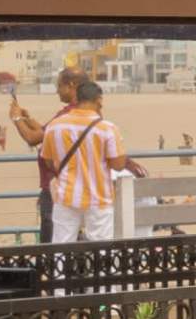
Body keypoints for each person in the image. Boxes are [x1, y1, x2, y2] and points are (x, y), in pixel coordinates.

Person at [18, 70, 138, 244]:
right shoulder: (107, 128)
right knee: (101, 246)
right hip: (98, 196)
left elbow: (49, 160)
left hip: (66, 195)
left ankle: (60, 272)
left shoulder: (56, 126)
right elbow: (118, 164)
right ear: (98, 100)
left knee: (61, 245)